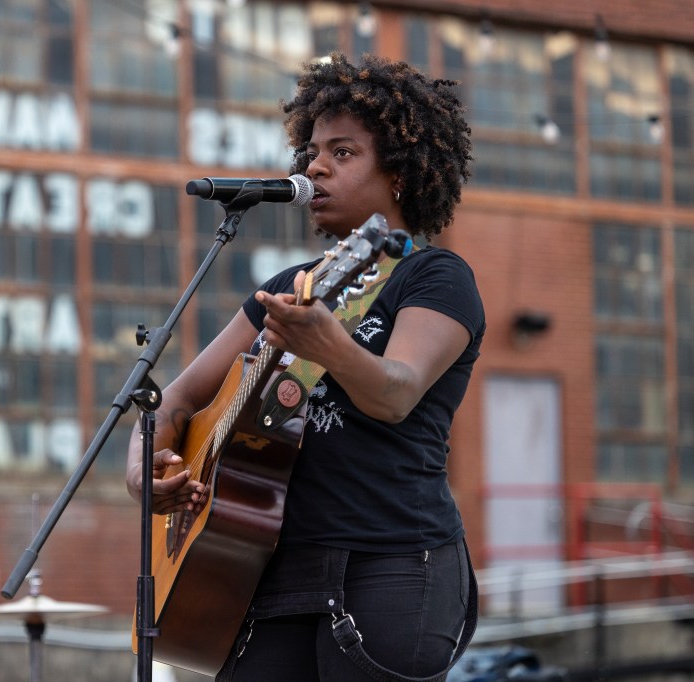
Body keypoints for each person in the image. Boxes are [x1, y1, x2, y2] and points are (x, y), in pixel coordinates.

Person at [125, 52, 484, 681]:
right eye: (312, 153)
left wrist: (330, 346)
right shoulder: (288, 289)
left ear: (400, 173)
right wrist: (142, 474)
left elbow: (395, 394)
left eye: (342, 153)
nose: (315, 167)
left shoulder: (436, 277)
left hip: (393, 562)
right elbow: (175, 399)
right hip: (264, 566)